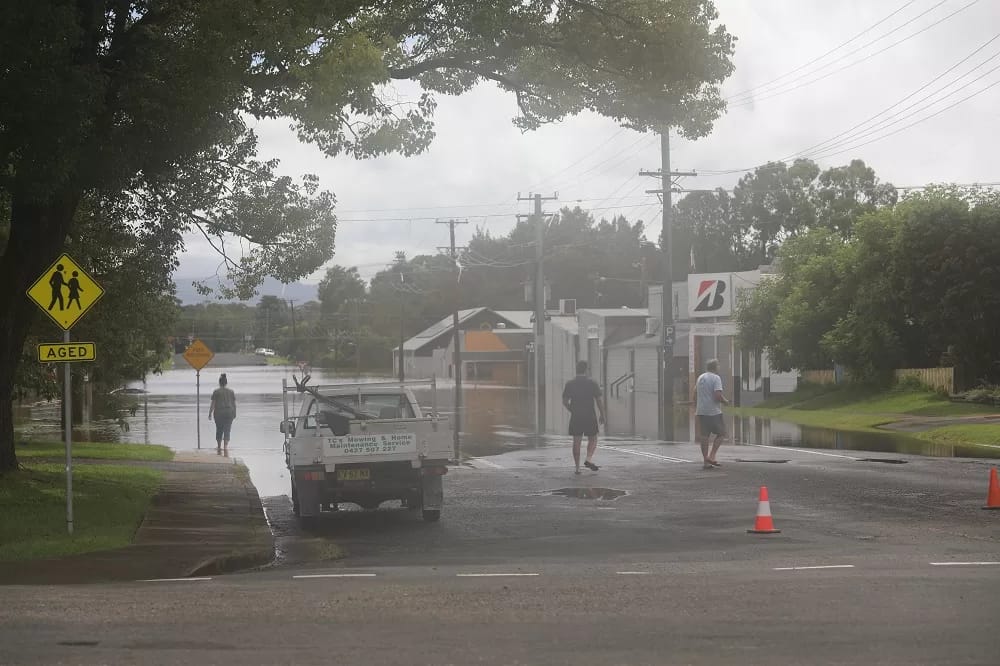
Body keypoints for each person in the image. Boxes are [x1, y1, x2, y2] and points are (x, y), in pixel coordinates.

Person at [562, 360, 606, 475]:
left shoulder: (570, 384)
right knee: (593, 438)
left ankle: (577, 468)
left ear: (576, 370)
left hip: (576, 416)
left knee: (577, 441)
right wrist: (602, 414)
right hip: (589, 415)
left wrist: (573, 410)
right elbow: (599, 400)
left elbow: (565, 402)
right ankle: (588, 459)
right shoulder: (592, 383)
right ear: (586, 370)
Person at [695, 359, 729, 470]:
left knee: (704, 436)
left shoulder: (700, 378)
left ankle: (706, 462)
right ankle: (712, 456)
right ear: (715, 367)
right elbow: (717, 395)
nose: (719, 367)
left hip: (701, 411)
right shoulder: (716, 378)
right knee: (722, 433)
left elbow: (695, 392)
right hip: (713, 411)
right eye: (718, 365)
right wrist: (725, 401)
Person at [208, 373, 237, 453]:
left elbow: (213, 403)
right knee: (227, 429)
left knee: (219, 429)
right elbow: (234, 404)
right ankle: (225, 447)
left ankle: (219, 447)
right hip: (229, 413)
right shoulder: (231, 391)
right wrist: (235, 413)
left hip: (219, 413)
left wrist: (210, 413)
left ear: (219, 383)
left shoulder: (216, 392)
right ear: (226, 383)